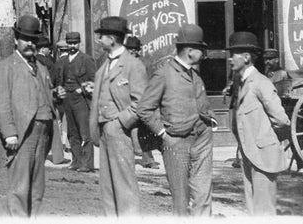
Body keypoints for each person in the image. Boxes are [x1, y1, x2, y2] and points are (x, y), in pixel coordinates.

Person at [137, 23, 216, 216]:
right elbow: (144, 109)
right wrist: (164, 134)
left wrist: (211, 123)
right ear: (190, 51)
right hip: (176, 142)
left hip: (202, 140)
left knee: (203, 196)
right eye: (201, 49)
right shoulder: (163, 74)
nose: (204, 54)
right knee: (181, 201)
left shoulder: (195, 74)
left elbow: (201, 103)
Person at [0, 14, 55, 217]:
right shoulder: (6, 67)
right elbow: (1, 103)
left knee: (37, 188)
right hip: (22, 134)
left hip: (43, 132)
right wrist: (9, 133)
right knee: (20, 188)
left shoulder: (42, 67)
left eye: (33, 40)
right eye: (25, 39)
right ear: (16, 40)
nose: (30, 43)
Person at [228, 30, 290, 216]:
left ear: (246, 57)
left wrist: (268, 141)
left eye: (233, 55)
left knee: (264, 211)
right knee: (254, 209)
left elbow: (281, 119)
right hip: (249, 154)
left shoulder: (261, 82)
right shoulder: (241, 82)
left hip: (264, 156)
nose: (230, 59)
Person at [90, 15, 147, 216]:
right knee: (107, 185)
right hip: (104, 130)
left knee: (124, 185)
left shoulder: (133, 64)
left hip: (121, 131)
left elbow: (141, 103)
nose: (99, 40)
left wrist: (121, 122)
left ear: (112, 38)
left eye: (102, 36)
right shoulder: (104, 64)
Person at [57, 30, 95, 172]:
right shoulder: (63, 61)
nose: (72, 46)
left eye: (75, 43)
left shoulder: (86, 59)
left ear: (79, 43)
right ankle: (76, 161)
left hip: (81, 100)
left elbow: (94, 80)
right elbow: (58, 79)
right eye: (70, 43)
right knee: (72, 132)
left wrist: (82, 90)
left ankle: (87, 163)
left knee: (85, 132)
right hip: (68, 98)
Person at [125, 35, 161, 170]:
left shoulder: (145, 63)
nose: (132, 52)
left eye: (135, 49)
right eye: (130, 49)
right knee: (125, 129)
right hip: (126, 100)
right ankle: (126, 160)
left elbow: (152, 81)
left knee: (144, 130)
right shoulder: (122, 63)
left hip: (143, 100)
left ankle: (148, 159)